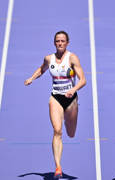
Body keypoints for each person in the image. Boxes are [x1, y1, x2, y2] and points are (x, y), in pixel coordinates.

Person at [24, 31, 86, 178]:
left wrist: (73, 89)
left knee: (70, 133)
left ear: (67, 43)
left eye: (63, 41)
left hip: (71, 99)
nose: (60, 43)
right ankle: (58, 166)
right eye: (58, 41)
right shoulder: (48, 59)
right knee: (57, 131)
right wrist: (31, 78)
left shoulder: (72, 58)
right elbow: (41, 69)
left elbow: (83, 80)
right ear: (54, 43)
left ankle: (68, 118)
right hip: (56, 98)